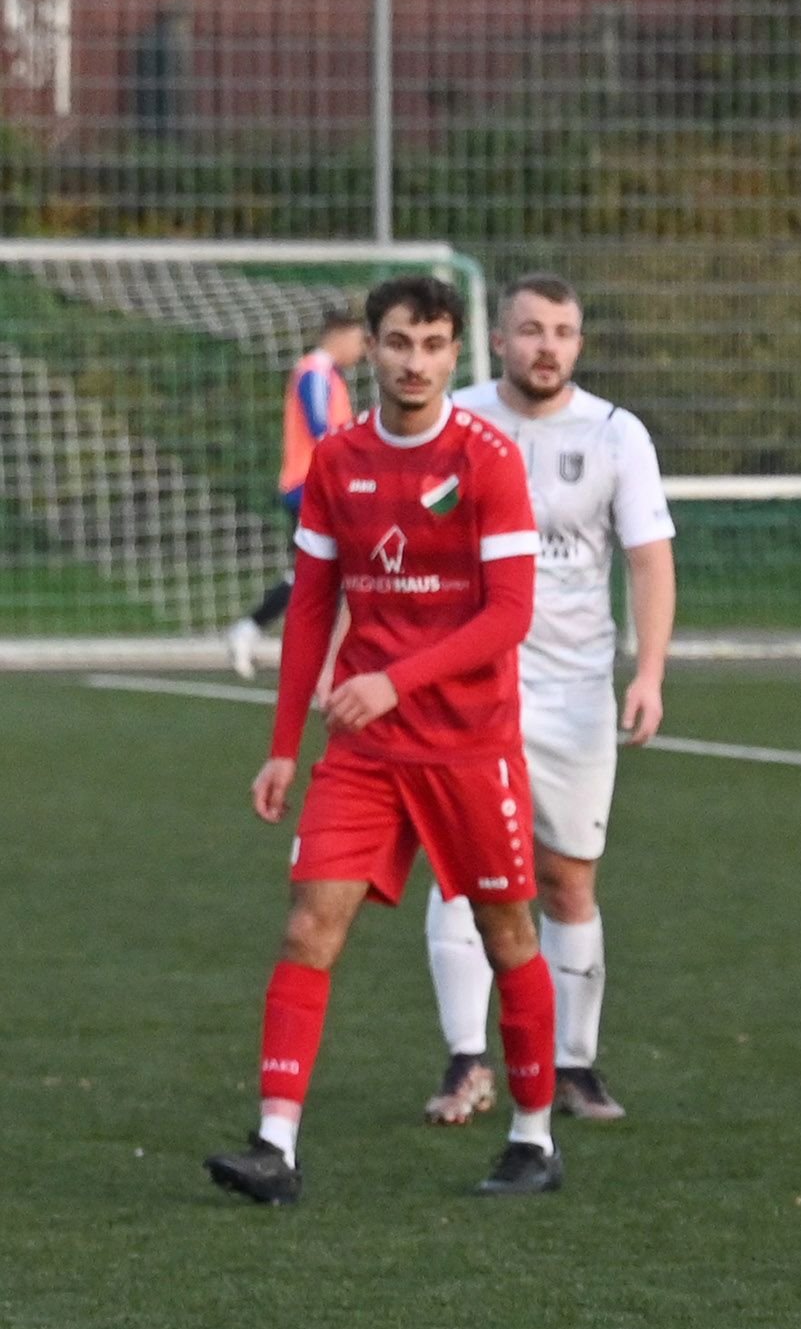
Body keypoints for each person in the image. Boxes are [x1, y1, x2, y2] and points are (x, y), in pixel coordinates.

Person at [204, 273, 564, 1206]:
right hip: (363, 753)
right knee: (309, 924)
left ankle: (532, 1135)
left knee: (508, 932)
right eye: (399, 342)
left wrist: (392, 679)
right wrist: (284, 742)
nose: (416, 362)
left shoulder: (486, 460)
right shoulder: (338, 460)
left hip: (466, 744)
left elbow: (510, 615)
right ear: (371, 345)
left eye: (435, 345)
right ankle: (273, 1143)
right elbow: (313, 605)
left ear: (457, 353)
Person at [420, 274, 676, 1125]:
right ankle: (466, 1063)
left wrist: (648, 672)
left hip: (572, 689)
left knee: (568, 879)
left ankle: (574, 1066)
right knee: (462, 875)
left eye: (562, 332)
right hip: (463, 686)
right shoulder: (450, 423)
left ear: (579, 342)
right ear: (499, 340)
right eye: (530, 330)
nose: (546, 347)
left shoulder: (614, 434)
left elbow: (647, 557)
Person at [228, 304, 367, 679]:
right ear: (339, 336)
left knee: (327, 574)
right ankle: (255, 631)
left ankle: (262, 634)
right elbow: (322, 428)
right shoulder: (315, 373)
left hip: (322, 488)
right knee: (322, 574)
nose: (362, 350)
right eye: (358, 340)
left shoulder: (327, 375)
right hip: (311, 488)